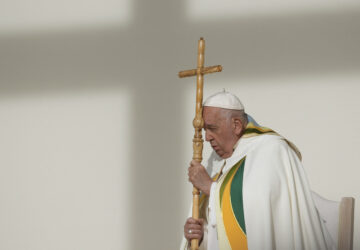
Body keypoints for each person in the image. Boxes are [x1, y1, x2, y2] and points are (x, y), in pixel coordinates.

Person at [180, 90, 335, 250]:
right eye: (205, 129)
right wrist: (200, 237)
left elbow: (258, 215)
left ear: (236, 125)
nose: (207, 137)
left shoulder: (271, 149)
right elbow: (217, 229)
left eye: (212, 128)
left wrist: (210, 188)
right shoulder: (216, 161)